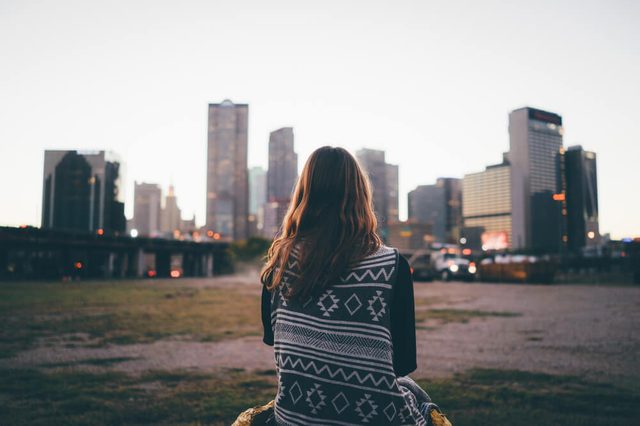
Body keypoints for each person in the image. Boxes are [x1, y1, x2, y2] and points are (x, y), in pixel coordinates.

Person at [260, 146, 441, 425]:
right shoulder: (393, 266)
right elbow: (402, 364)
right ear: (360, 195)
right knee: (414, 391)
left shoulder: (279, 264)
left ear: (304, 194)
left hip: (294, 418)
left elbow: (276, 343)